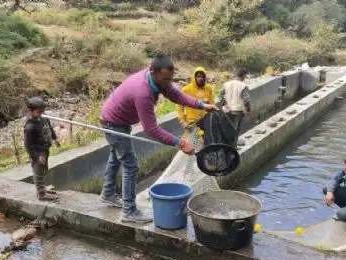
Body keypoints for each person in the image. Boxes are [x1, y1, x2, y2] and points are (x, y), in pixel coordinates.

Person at [100, 54, 216, 223]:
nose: (168, 83)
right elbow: (151, 130)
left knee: (116, 157)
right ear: (153, 72)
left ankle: (108, 194)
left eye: (170, 78)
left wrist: (201, 105)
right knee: (130, 164)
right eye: (165, 79)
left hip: (118, 121)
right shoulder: (143, 92)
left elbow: (178, 96)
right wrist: (180, 143)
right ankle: (129, 211)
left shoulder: (159, 80)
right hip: (113, 123)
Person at [23, 96, 60, 201]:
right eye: (39, 112)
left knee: (44, 169)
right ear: (30, 111)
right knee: (38, 172)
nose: (41, 114)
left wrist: (54, 138)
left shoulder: (43, 118)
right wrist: (36, 157)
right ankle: (41, 194)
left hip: (45, 149)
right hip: (37, 152)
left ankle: (43, 187)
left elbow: (50, 128)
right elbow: (28, 145)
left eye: (42, 111)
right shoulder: (29, 127)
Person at [217, 68, 251, 146]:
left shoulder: (226, 84)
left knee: (227, 128)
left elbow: (220, 96)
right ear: (244, 76)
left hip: (227, 111)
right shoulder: (243, 86)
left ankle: (226, 145)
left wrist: (225, 104)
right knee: (236, 130)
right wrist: (248, 110)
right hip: (238, 111)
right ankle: (233, 146)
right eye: (245, 76)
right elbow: (246, 100)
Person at [177, 67, 215, 134]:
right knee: (192, 143)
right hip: (191, 123)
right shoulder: (186, 89)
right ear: (194, 77)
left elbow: (212, 105)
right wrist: (182, 121)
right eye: (198, 76)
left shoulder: (209, 88)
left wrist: (208, 103)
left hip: (206, 122)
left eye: (203, 76)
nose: (201, 78)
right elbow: (180, 106)